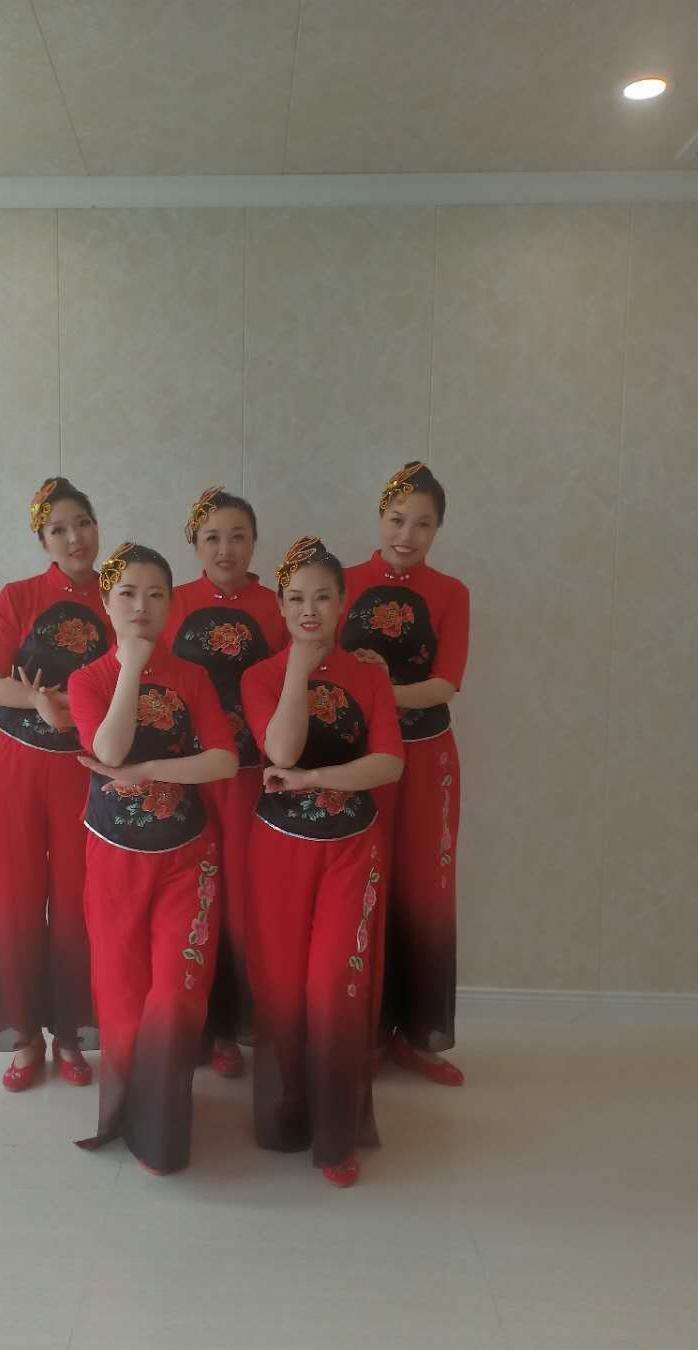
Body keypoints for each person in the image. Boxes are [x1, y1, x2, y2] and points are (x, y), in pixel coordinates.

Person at [68, 543, 238, 1175]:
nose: (141, 606)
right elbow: (108, 750)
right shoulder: (87, 680)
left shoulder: (192, 677)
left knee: (177, 992)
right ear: (107, 601)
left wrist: (151, 771)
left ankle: (162, 1134)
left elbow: (223, 760)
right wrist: (133, 667)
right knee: (121, 994)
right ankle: (127, 1114)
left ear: (171, 603)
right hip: (114, 855)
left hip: (188, 857)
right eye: (127, 594)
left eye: (156, 594)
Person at [241, 537, 405, 1186]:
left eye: (323, 597)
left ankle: (336, 1135)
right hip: (278, 850)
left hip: (352, 849)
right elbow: (281, 751)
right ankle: (290, 1109)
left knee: (335, 984)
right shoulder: (260, 676)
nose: (309, 610)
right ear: (281, 608)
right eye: (296, 599)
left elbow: (388, 764)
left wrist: (317, 780)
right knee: (282, 987)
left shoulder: (370, 676)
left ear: (343, 603)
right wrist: (299, 671)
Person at [0, 478, 113, 1090]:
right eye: (58, 529)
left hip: (85, 769)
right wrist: (35, 701)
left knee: (80, 901)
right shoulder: (19, 595)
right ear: (43, 540)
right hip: (17, 765)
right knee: (14, 896)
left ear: (96, 527)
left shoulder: (118, 596)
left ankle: (71, 1034)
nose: (74, 537)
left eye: (82, 522)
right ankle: (24, 1035)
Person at [339, 462, 470, 1085]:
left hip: (427, 758)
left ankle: (417, 1037)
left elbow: (445, 684)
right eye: (397, 520)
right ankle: (359, 1033)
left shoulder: (451, 593)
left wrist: (380, 687)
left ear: (438, 529)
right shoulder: (341, 583)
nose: (407, 535)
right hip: (360, 758)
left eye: (423, 524)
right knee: (362, 886)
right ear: (379, 518)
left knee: (425, 889)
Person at [163, 489, 289, 1077]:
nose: (225, 549)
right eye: (212, 537)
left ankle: (234, 1027)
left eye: (238, 536)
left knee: (241, 903)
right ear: (194, 545)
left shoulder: (277, 606)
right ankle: (188, 1027)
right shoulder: (171, 602)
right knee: (190, 900)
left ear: (255, 542)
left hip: (251, 779)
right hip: (185, 779)